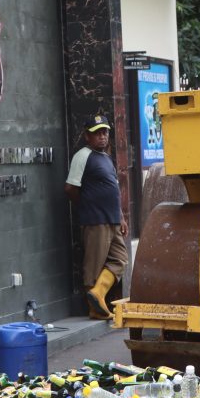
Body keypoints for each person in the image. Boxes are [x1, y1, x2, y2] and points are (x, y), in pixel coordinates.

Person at [64, 114, 129, 320]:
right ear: (87, 136)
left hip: (113, 219)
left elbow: (114, 190)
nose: (102, 136)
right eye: (97, 133)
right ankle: (94, 309)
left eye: (105, 132)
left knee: (120, 259)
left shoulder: (106, 158)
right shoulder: (82, 156)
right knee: (93, 265)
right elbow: (70, 188)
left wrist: (121, 217)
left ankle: (98, 293)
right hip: (95, 220)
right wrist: (87, 206)